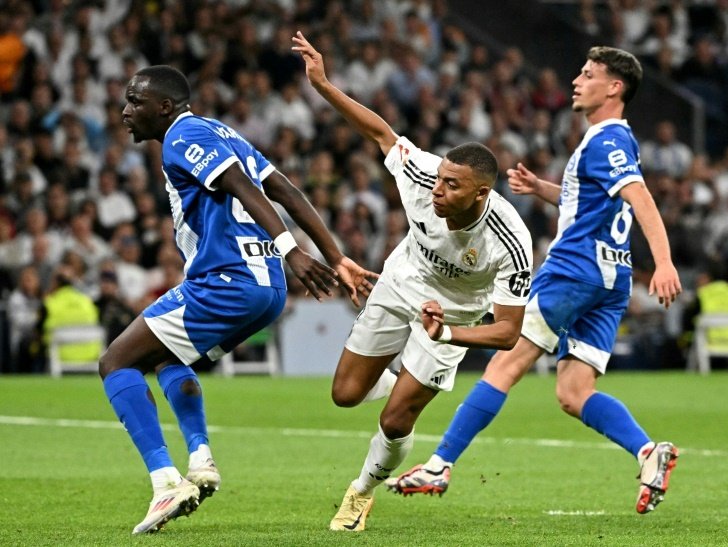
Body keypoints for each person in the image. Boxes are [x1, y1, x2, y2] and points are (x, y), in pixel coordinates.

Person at [387, 46, 683, 515]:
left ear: (614, 88)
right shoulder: (616, 141)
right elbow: (593, 205)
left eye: (588, 75)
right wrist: (545, 189)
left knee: (505, 365)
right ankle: (648, 452)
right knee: (573, 393)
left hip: (573, 270)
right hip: (610, 278)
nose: (576, 81)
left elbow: (639, 198)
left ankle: (439, 464)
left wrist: (665, 262)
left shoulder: (606, 140)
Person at [101, 64, 377, 535]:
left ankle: (165, 481)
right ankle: (201, 460)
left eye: (134, 101)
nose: (125, 111)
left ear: (164, 107)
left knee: (115, 363)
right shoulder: (220, 130)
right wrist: (339, 257)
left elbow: (242, 187)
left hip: (226, 280)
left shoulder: (181, 137)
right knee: (167, 359)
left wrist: (295, 251)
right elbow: (286, 190)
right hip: (263, 288)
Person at [292, 32, 534, 532]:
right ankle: (400, 375)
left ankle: (360, 493)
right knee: (344, 395)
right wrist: (322, 84)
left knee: (396, 420)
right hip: (400, 283)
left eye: (452, 185)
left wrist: (448, 334)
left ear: (481, 193)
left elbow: (509, 332)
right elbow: (382, 133)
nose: (438, 189)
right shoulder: (424, 175)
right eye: (440, 177)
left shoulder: (510, 240)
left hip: (453, 317)